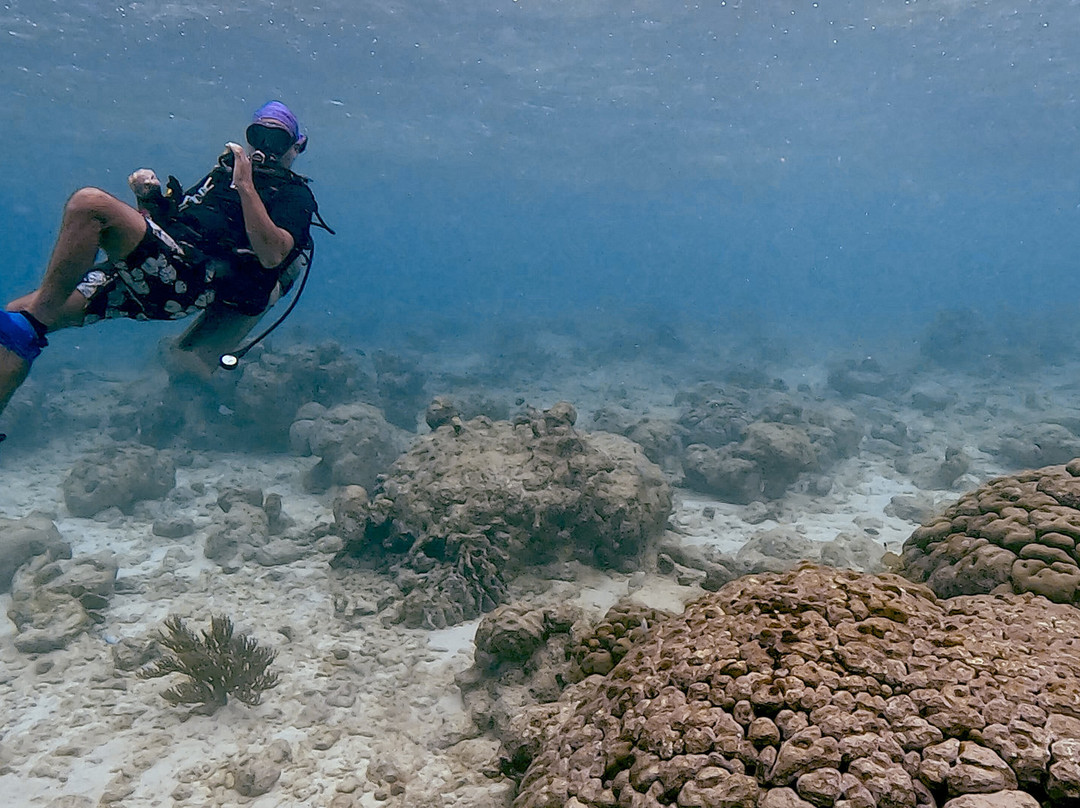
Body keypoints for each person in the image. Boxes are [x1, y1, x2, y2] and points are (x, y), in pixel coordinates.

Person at [0, 101, 329, 434]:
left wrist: (246, 187)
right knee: (18, 320)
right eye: (259, 137)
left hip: (190, 280)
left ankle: (41, 311)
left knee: (89, 204)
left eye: (278, 141)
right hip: (150, 272)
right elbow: (172, 224)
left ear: (296, 148)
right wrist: (150, 198)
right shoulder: (220, 177)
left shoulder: (294, 195)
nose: (266, 149)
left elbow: (272, 255)